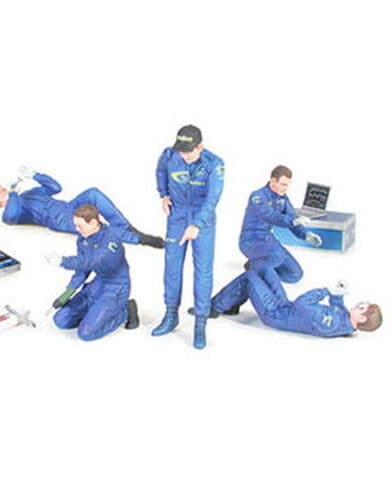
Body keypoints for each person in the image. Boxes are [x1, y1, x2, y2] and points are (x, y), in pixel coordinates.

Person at [151, 125, 224, 349]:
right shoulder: (169, 155)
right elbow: (160, 171)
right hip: (177, 215)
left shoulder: (214, 164)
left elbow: (212, 199)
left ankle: (200, 322)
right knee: (172, 266)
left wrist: (197, 225)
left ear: (200, 146)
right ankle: (171, 314)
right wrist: (163, 194)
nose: (184, 155)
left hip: (203, 219)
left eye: (188, 151)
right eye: (181, 150)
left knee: (203, 271)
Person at [0, 166, 164, 248]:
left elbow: (55, 188)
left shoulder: (29, 194)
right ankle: (140, 239)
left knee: (93, 193)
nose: (2, 189)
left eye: (0, 187)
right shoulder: (8, 214)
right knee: (97, 228)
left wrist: (36, 175)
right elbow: (12, 214)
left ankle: (125, 227)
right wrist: (12, 194)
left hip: (68, 205)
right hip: (59, 219)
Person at [44, 204, 139, 341]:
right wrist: (69, 292)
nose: (77, 229)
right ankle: (95, 314)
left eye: (80, 226)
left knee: (86, 334)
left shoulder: (111, 240)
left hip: (115, 288)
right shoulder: (83, 239)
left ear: (94, 223)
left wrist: (63, 261)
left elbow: (92, 262)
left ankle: (125, 310)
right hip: (98, 283)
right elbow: (82, 269)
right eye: (75, 225)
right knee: (61, 321)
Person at [206, 268, 382, 337]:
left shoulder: (332, 323)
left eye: (361, 308)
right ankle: (233, 302)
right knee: (266, 270)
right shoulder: (344, 318)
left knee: (250, 277)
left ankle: (213, 308)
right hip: (285, 307)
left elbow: (302, 304)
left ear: (362, 319)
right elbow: (337, 307)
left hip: (276, 314)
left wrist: (325, 291)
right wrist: (338, 293)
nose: (357, 306)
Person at [239, 165, 322, 296]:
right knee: (277, 255)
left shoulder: (283, 199)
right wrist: (292, 221)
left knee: (295, 274)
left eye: (288, 185)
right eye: (283, 184)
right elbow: (270, 216)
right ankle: (257, 271)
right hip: (251, 240)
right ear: (273, 181)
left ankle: (257, 266)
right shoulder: (257, 197)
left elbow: (293, 219)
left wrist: (305, 235)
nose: (285, 188)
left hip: (268, 240)